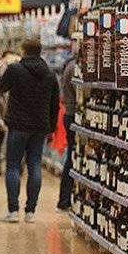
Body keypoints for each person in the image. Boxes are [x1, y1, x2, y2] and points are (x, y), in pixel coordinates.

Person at [0, 38, 60, 223]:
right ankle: (31, 211)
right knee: (35, 165)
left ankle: (13, 211)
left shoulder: (15, 69)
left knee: (13, 166)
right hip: (39, 126)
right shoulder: (49, 74)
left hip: (17, 124)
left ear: (23, 51)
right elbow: (55, 103)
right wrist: (51, 127)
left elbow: (1, 87)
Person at [56, 44, 80, 211]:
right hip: (73, 115)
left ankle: (66, 199)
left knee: (72, 156)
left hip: (69, 114)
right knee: (71, 158)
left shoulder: (69, 65)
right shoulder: (74, 68)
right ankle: (64, 200)